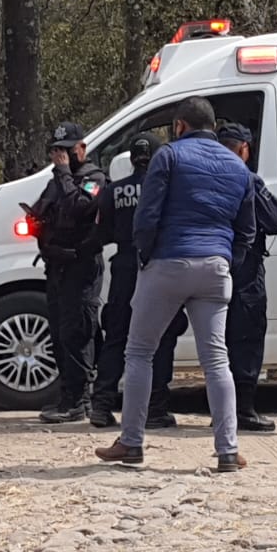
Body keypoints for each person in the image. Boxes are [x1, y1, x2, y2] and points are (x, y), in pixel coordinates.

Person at [95, 97, 255, 472]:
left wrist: (146, 256)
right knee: (216, 359)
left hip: (169, 261)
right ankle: (227, 451)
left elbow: (147, 215)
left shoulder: (168, 156)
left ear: (180, 126)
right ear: (212, 127)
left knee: (139, 352)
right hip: (215, 267)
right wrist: (229, 260)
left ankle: (131, 442)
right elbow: (246, 229)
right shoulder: (238, 166)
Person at [88, 132, 187, 430]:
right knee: (162, 337)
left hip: (124, 268)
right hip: (158, 267)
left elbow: (101, 234)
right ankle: (155, 410)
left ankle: (102, 405)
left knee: (117, 336)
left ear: (131, 159)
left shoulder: (112, 191)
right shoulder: (168, 191)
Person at [24, 122, 107, 423]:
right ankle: (68, 397)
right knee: (59, 333)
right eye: (56, 152)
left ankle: (79, 400)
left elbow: (78, 207)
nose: (60, 157)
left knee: (78, 333)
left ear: (81, 149)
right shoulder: (56, 181)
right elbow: (43, 208)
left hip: (81, 266)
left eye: (66, 151)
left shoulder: (93, 178)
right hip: (56, 267)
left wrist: (63, 173)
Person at [216, 123, 277, 433]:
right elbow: (276, 219)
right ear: (244, 149)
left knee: (217, 339)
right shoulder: (247, 178)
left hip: (211, 265)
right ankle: (243, 410)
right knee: (246, 337)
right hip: (245, 270)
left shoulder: (205, 177)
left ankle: (221, 409)